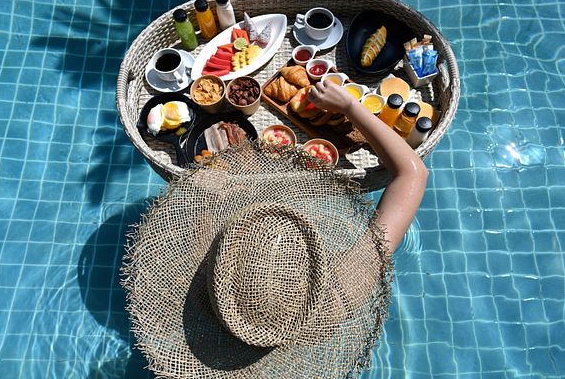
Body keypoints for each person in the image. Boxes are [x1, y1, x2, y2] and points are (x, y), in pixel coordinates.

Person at [122, 78, 430, 378]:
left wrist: (215, 182)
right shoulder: (339, 295)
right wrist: (350, 107)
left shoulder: (194, 245)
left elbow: (202, 190)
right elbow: (412, 174)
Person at [308, 78, 429, 250]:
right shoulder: (361, 268)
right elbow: (414, 173)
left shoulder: (363, 267)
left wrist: (348, 106)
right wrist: (349, 106)